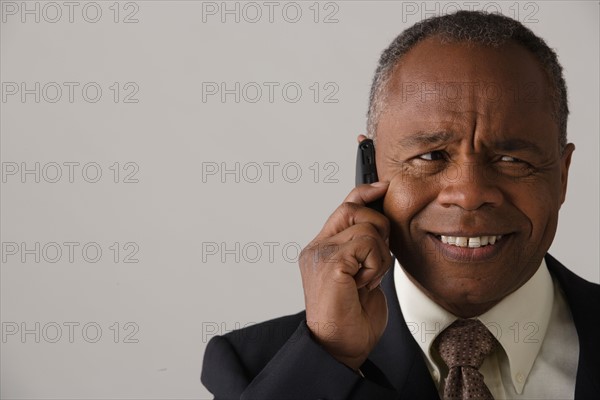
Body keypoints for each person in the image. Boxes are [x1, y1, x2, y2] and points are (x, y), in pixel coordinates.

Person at [201, 10, 600, 399]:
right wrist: (331, 359)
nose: (468, 193)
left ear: (562, 175)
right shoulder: (260, 371)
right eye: (431, 156)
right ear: (371, 171)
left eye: (512, 160)